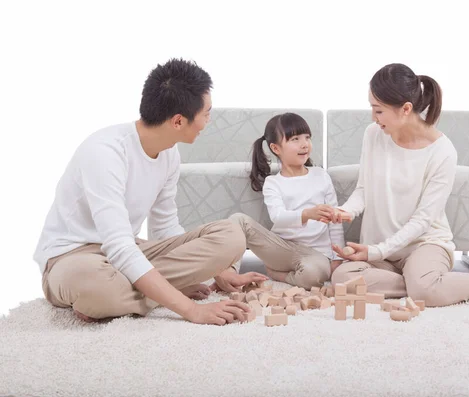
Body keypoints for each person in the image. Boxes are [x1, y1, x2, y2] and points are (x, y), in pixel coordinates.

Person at [33, 58, 267, 325]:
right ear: (178, 121)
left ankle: (121, 300)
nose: (208, 121)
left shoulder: (170, 153)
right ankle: (122, 296)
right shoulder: (104, 152)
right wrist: (192, 310)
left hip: (129, 250)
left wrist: (218, 273)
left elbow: (165, 226)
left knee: (231, 236)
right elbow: (118, 245)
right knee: (96, 287)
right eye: (206, 113)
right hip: (74, 258)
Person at [326, 63, 469, 306]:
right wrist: (345, 211)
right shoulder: (373, 135)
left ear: (406, 109)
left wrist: (376, 253)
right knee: (342, 279)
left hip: (424, 244)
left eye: (378, 111)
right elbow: (363, 190)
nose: (373, 118)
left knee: (421, 290)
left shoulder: (442, 151)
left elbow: (423, 220)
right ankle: (424, 283)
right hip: (379, 248)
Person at [228, 113, 345, 289]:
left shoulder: (321, 175)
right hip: (282, 248)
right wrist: (307, 214)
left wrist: (338, 257)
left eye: (307, 137)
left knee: (312, 276)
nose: (304, 144)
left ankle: (279, 275)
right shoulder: (273, 183)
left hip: (316, 254)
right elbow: (278, 217)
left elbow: (336, 221)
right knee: (237, 220)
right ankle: (229, 273)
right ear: (276, 149)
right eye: (295, 139)